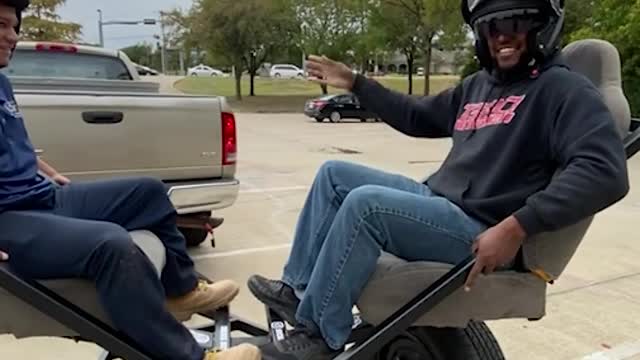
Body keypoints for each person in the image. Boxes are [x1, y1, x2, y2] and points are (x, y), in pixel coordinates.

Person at [248, 0, 630, 358]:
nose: (502, 35)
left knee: (366, 207)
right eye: (491, 26)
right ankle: (296, 292)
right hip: (442, 204)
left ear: (541, 27)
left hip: (484, 226)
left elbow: (605, 172)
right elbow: (417, 115)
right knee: (335, 175)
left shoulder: (563, 90)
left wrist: (516, 226)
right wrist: (357, 83)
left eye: (515, 23)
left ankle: (318, 334)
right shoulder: (480, 85)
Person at [0, 1, 260, 359]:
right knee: (112, 244)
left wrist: (50, 172)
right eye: (2, 25)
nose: (12, 36)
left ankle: (179, 290)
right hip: (8, 219)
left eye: (14, 27)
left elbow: (18, 144)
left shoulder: (2, 84)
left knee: (149, 192)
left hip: (42, 196)